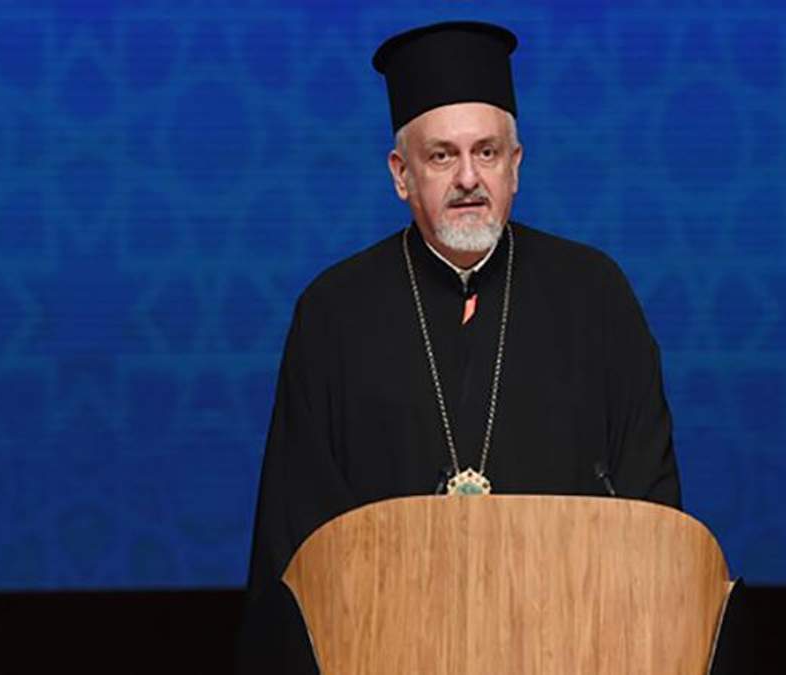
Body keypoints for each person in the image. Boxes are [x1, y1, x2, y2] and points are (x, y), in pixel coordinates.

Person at [236, 21, 681, 673]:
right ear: (401, 175)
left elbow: (652, 506)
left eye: (487, 152)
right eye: (442, 156)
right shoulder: (332, 313)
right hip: (384, 650)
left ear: (516, 164)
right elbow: (294, 536)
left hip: (571, 646)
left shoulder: (596, 294)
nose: (469, 178)